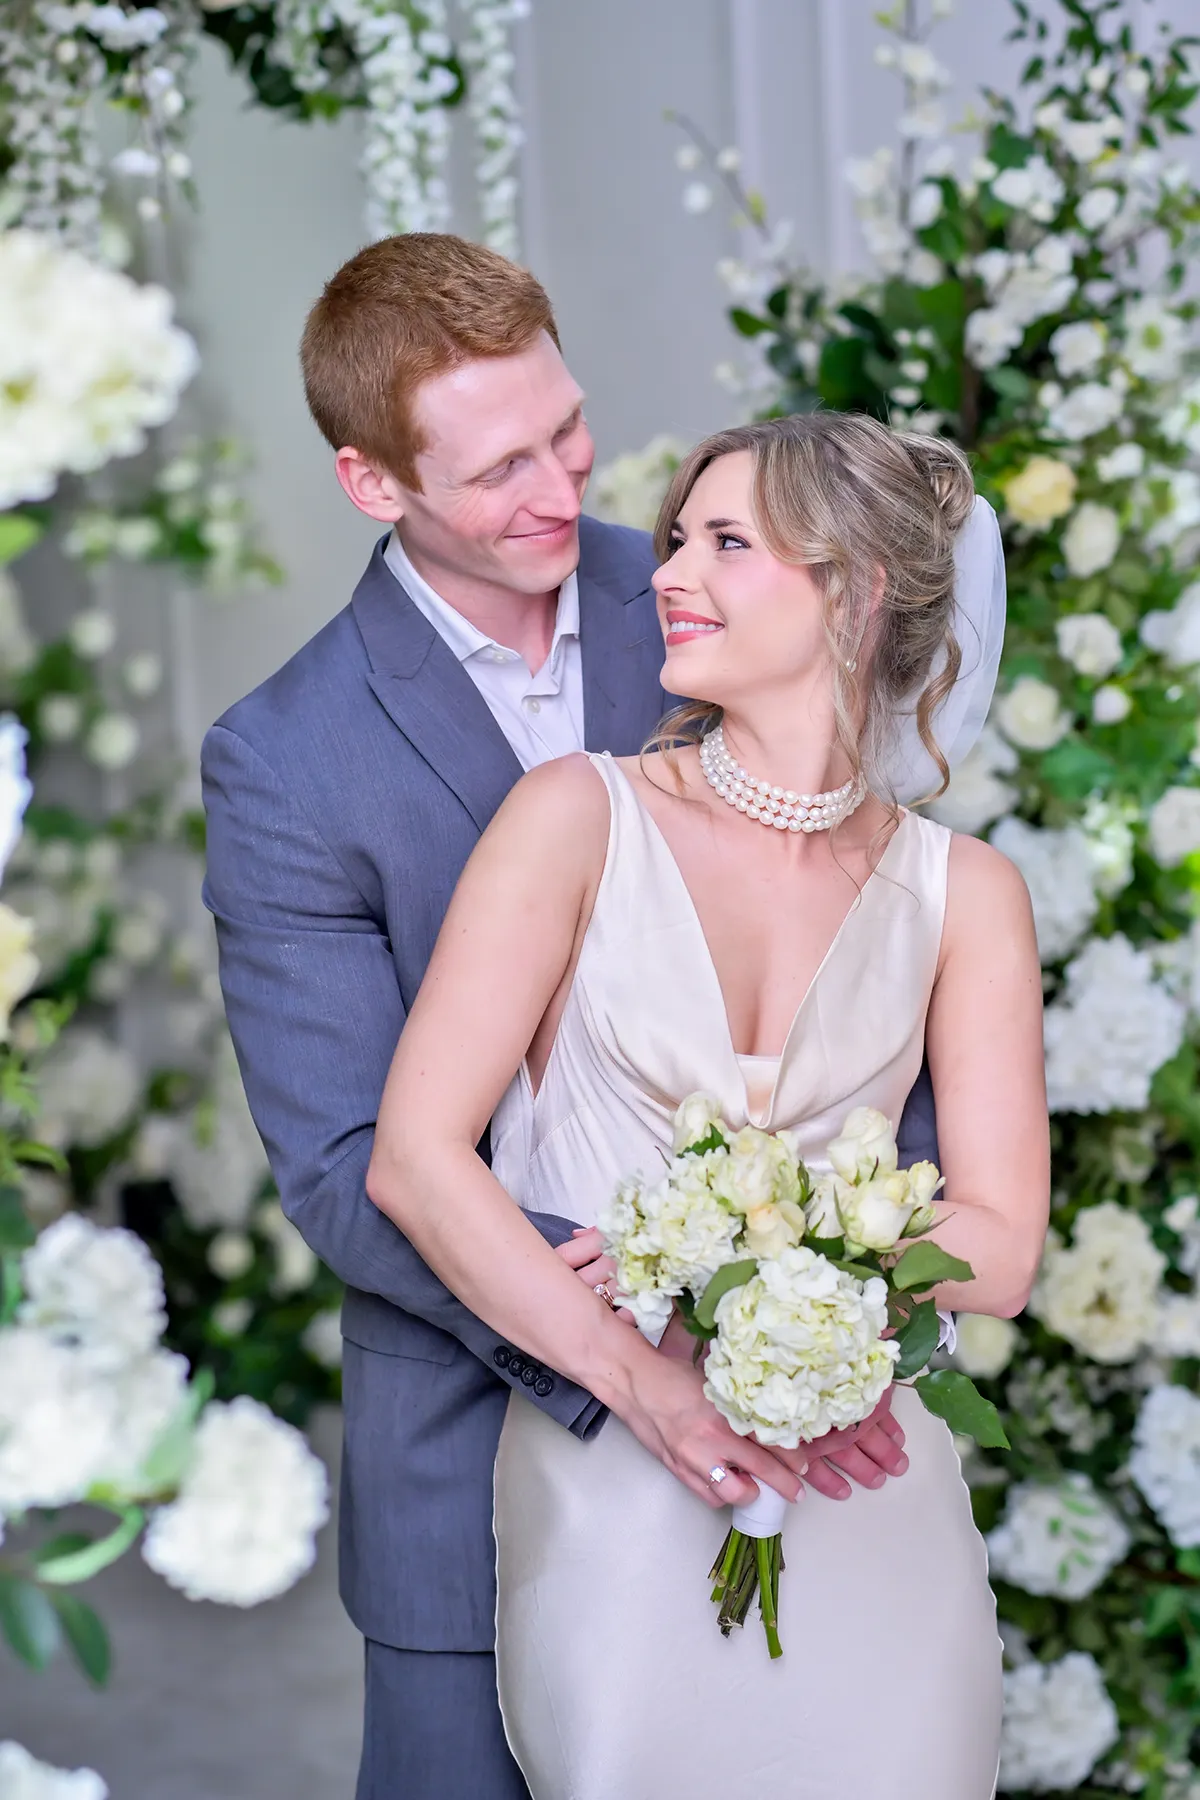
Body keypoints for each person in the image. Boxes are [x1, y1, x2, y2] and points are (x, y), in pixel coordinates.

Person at [201, 237, 916, 1800]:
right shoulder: (286, 761)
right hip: (472, 1460)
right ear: (371, 483)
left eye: (569, 430)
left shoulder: (730, 591)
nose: (562, 486)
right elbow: (343, 1163)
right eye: (499, 465)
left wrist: (847, 1300)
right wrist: (644, 1316)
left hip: (808, 1425)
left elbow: (885, 935)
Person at [364, 413, 1051, 1800]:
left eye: (726, 543)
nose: (671, 570)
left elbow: (1003, 1245)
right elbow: (416, 1164)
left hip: (867, 1486)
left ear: (854, 591)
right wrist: (649, 1382)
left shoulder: (963, 894)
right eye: (678, 539)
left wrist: (777, 1277)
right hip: (618, 1485)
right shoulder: (575, 818)